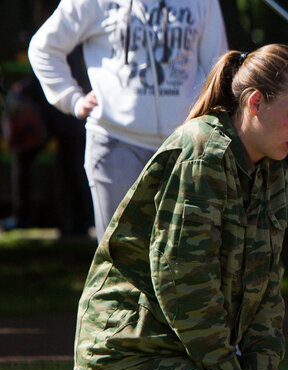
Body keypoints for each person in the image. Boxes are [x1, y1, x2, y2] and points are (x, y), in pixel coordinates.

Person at [39, 44, 288, 370]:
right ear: (255, 102)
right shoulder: (204, 154)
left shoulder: (268, 162)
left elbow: (266, 285)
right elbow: (181, 280)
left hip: (192, 357)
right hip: (129, 359)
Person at [28, 0, 228, 241]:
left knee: (184, 258)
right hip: (115, 146)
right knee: (119, 262)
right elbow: (43, 48)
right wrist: (72, 99)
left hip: (185, 146)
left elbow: (217, 68)